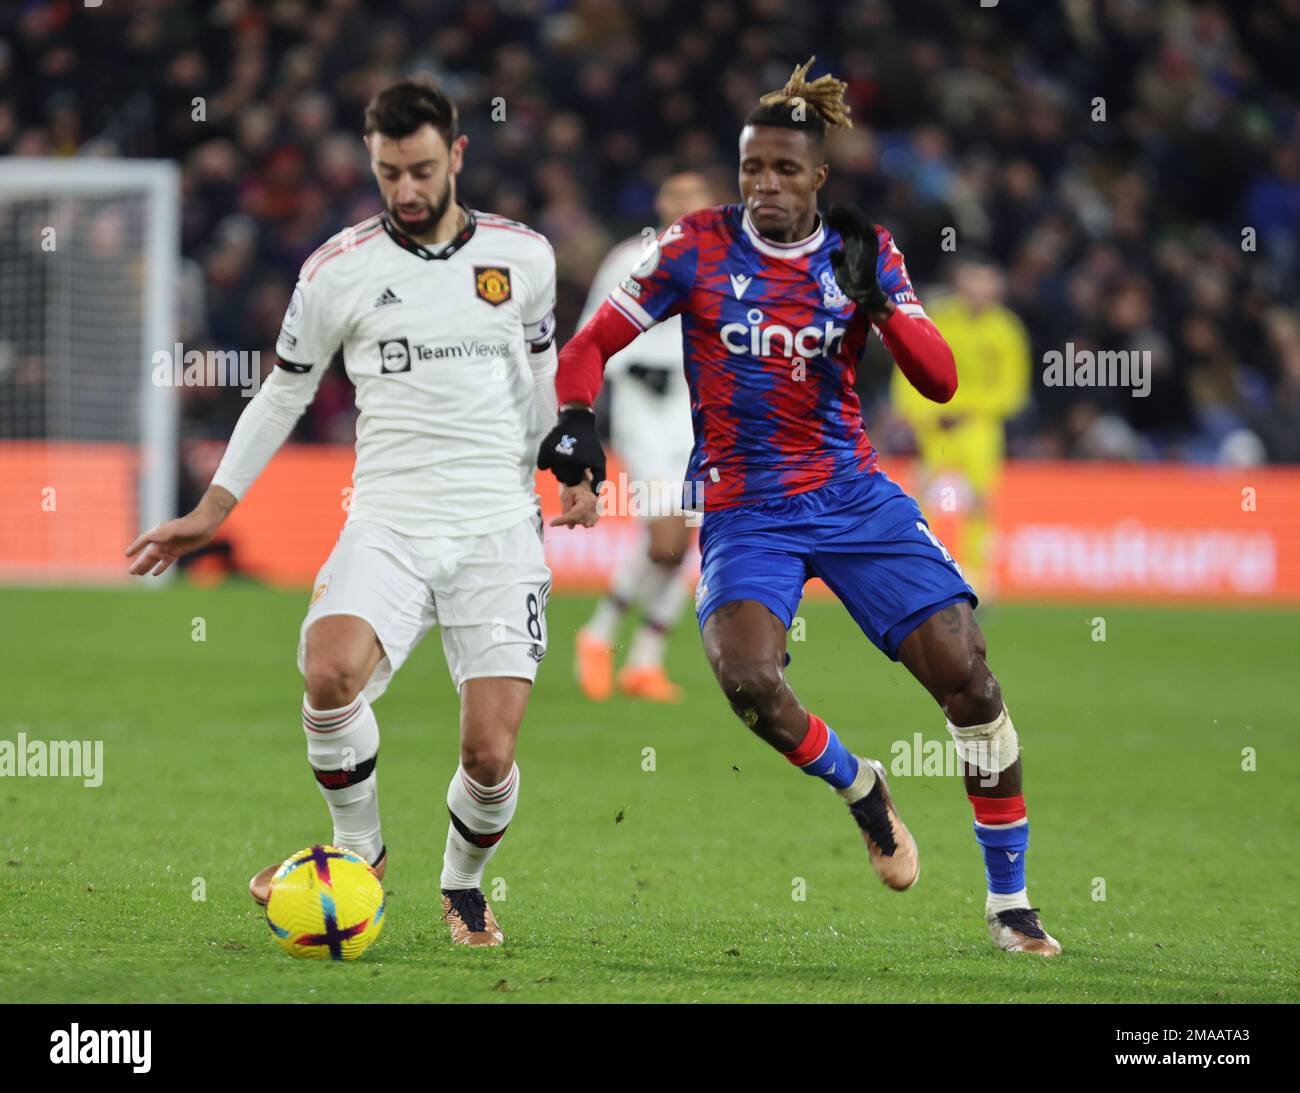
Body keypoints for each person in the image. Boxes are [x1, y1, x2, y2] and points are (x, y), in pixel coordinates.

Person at [539, 59, 1060, 956]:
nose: (766, 186)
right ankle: (862, 787)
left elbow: (939, 381)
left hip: (853, 494)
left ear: (819, 176)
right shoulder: (694, 247)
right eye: (752, 169)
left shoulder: (866, 249)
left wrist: (877, 301)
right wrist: (579, 425)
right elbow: (588, 343)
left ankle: (1010, 903)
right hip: (747, 507)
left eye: (785, 170)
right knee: (745, 677)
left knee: (969, 677)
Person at [127, 78, 596, 948]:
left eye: (421, 170)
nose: (407, 192)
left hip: (498, 526)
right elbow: (280, 396)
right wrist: (210, 507)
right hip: (388, 515)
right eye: (388, 174)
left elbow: (538, 373)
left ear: (457, 153)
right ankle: (359, 850)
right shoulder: (337, 270)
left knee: (489, 757)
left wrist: (566, 459)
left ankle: (461, 886)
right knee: (328, 669)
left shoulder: (523, 257)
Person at [574, 169, 714, 704]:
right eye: (674, 194)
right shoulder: (629, 257)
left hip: (695, 410)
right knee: (665, 535)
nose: (682, 204)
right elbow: (592, 333)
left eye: (693, 196)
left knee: (683, 541)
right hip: (643, 409)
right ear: (659, 200)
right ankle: (602, 634)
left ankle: (641, 661)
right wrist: (630, 367)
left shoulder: (722, 263)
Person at [891, 253, 1032, 599]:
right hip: (936, 424)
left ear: (997, 287)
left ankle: (977, 578)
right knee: (920, 500)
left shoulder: (1006, 329)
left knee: (980, 503)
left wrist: (968, 411)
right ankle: (921, 572)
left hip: (978, 427)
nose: (979, 289)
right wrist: (923, 413)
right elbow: (909, 366)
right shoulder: (939, 319)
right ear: (960, 283)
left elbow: (1013, 389)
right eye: (973, 280)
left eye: (986, 281)